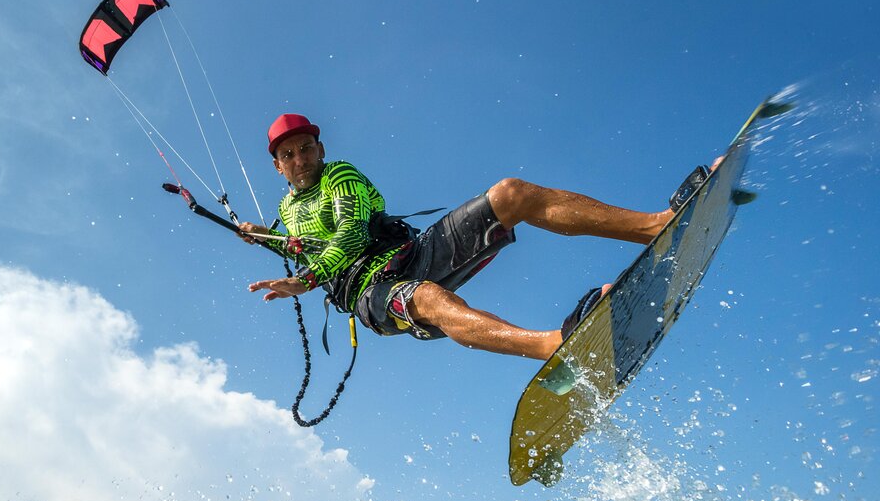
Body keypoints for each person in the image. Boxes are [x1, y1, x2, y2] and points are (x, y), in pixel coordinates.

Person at [240, 113, 704, 361]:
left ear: (321, 148)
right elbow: (309, 247)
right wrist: (266, 238)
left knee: (511, 194)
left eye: (306, 148)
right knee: (428, 300)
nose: (300, 158)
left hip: (412, 252)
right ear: (277, 166)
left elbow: (348, 233)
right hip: (371, 292)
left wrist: (306, 279)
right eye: (288, 154)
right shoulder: (285, 211)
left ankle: (653, 226)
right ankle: (549, 345)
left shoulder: (339, 175)